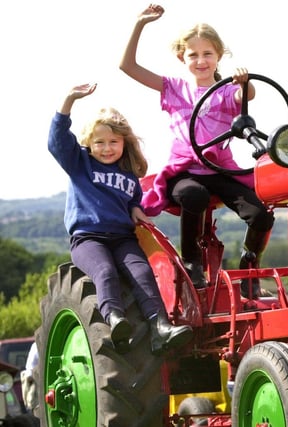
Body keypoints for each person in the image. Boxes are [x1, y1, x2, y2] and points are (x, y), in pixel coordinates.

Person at [120, 4, 274, 297]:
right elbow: (127, 67)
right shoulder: (173, 88)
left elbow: (246, 95)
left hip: (218, 169)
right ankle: (191, 261)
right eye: (193, 54)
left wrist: (245, 81)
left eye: (207, 54)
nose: (201, 60)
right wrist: (139, 25)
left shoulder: (227, 90)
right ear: (182, 57)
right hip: (185, 170)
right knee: (194, 195)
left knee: (261, 214)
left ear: (219, 56)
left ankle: (249, 263)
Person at [47, 83, 193, 355]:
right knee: (104, 271)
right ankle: (114, 318)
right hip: (88, 239)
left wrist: (136, 208)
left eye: (113, 142)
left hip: (123, 238)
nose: (106, 148)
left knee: (143, 274)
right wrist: (67, 101)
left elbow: (132, 200)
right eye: (99, 143)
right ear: (88, 145)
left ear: (124, 143)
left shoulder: (127, 175)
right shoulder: (80, 164)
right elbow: (56, 140)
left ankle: (160, 327)